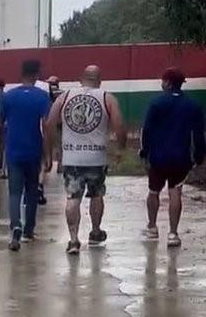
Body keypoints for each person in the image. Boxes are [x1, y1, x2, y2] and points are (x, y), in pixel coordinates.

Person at [46, 66, 127, 255]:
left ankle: (73, 240)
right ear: (99, 79)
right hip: (96, 158)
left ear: (81, 78)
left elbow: (49, 124)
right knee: (96, 195)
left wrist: (54, 149)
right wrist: (120, 149)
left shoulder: (64, 97)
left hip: (72, 158)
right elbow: (120, 127)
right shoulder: (107, 97)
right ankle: (95, 231)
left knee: (73, 198)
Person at [140, 67, 205, 248]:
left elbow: (147, 130)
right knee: (175, 192)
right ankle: (173, 234)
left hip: (158, 157)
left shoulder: (156, 103)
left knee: (153, 191)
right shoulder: (193, 106)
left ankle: (152, 228)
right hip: (181, 157)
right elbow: (199, 134)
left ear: (167, 82)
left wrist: (145, 152)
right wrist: (199, 155)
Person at [2, 60, 52, 251]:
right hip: (33, 150)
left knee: (14, 192)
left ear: (21, 73)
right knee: (31, 191)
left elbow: (0, 123)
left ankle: (15, 226)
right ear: (36, 74)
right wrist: (49, 154)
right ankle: (29, 230)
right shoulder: (42, 97)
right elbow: (47, 126)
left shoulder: (9, 96)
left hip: (14, 150)